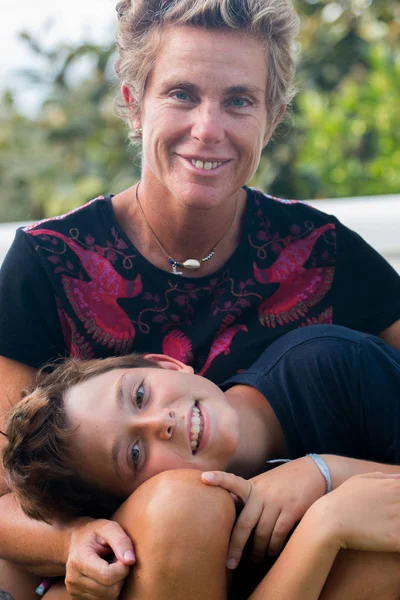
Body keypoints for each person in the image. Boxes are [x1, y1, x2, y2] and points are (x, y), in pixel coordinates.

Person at [1, 0, 400, 598]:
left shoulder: (324, 253)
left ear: (273, 117)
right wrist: (72, 542)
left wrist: (325, 480)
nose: (208, 129)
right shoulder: (47, 262)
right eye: (182, 94)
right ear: (135, 103)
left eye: (239, 100)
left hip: (299, 554)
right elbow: (6, 491)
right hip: (142, 558)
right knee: (179, 506)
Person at [4, 324, 400, 600]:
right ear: (133, 503)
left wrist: (325, 472)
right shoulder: (173, 536)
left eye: (140, 395)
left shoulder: (332, 366)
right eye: (135, 454)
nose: (162, 422)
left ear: (167, 364)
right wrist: (322, 530)